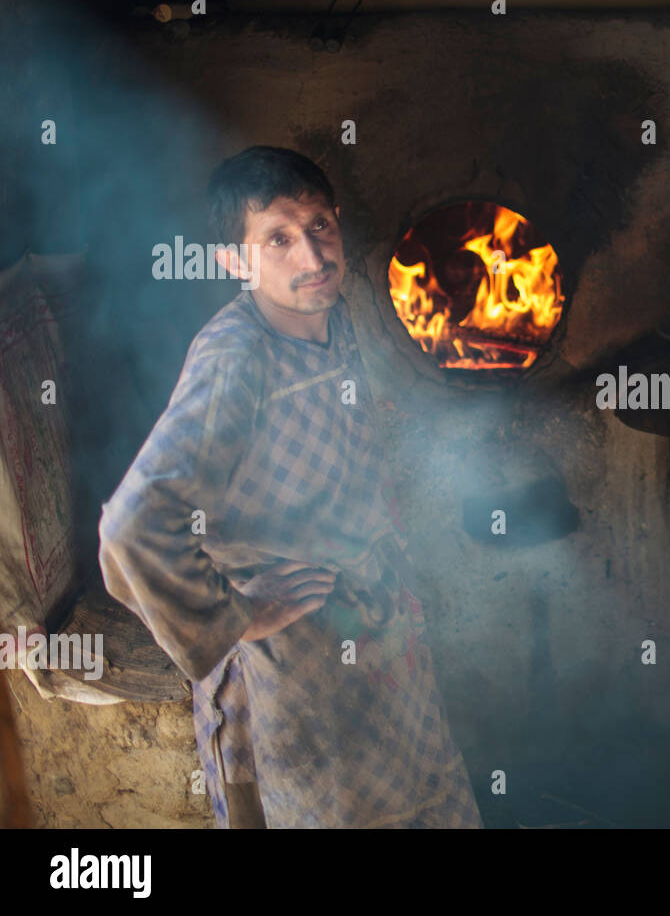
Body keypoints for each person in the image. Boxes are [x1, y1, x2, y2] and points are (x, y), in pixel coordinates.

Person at [99, 147, 483, 828]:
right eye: (277, 238)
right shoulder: (235, 358)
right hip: (292, 667)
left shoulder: (338, 318)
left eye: (319, 226)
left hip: (373, 630)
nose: (312, 256)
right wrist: (236, 617)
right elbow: (132, 524)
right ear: (235, 262)